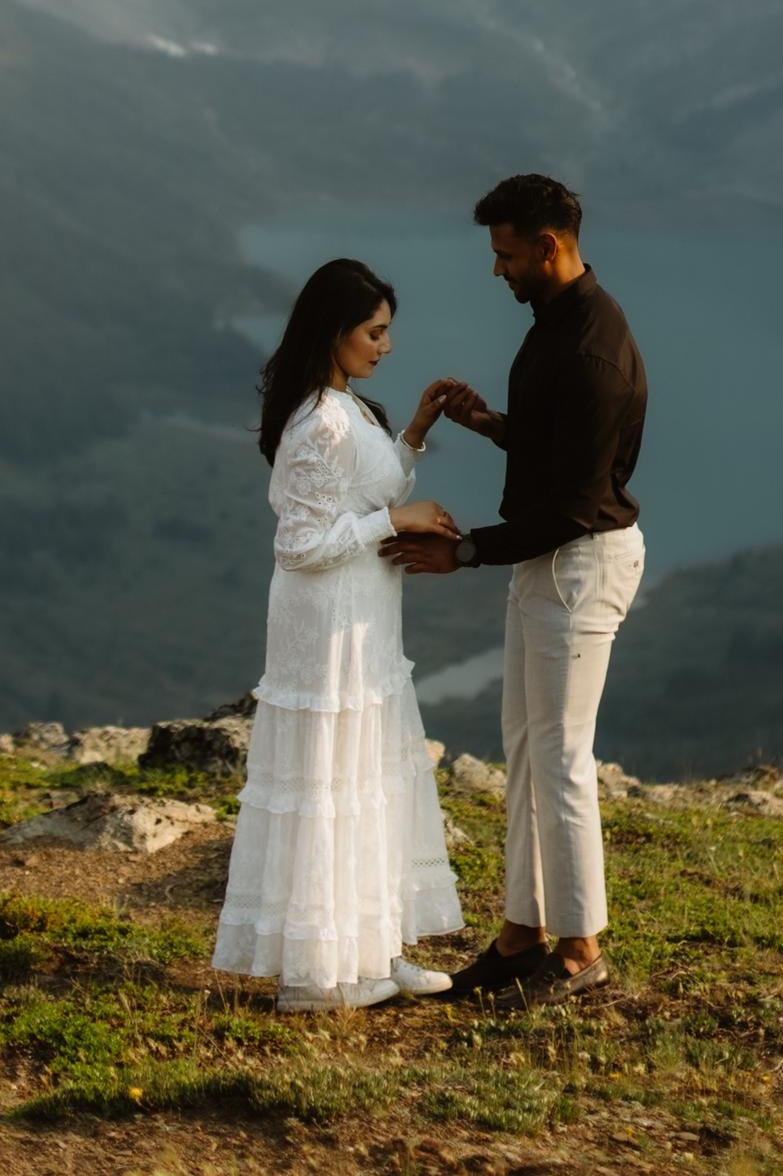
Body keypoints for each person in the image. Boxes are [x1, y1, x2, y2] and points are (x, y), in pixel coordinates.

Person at [382, 174, 647, 998]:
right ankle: (521, 933)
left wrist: (461, 555)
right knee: (529, 750)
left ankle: (581, 949)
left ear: (548, 245)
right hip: (551, 561)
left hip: (579, 562)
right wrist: (488, 422)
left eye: (504, 255)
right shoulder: (558, 324)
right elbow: (554, 450)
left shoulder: (592, 351)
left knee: (563, 758)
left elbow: (572, 505)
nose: (497, 272)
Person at [213, 257, 465, 1011]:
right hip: (326, 632)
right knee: (332, 784)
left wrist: (413, 434)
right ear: (335, 333)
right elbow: (299, 544)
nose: (385, 347)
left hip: (364, 624)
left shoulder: (346, 407)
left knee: (364, 784)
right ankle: (321, 976)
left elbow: (369, 486)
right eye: (374, 333)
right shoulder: (321, 421)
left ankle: (371, 954)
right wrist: (398, 521)